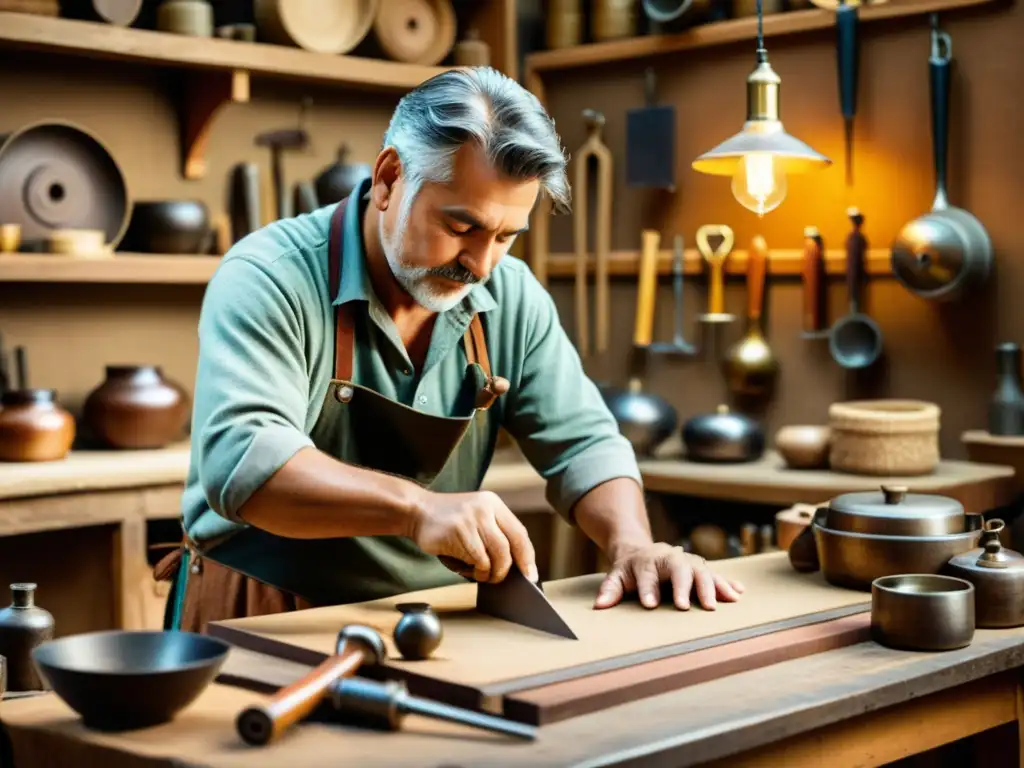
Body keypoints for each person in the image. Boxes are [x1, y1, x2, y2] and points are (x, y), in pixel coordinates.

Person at [156, 66, 744, 634]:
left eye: (506, 236)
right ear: (389, 178)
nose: (481, 263)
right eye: (462, 227)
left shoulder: (509, 296)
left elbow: (584, 444)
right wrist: (418, 509)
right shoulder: (271, 276)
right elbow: (244, 464)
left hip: (428, 618)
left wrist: (632, 544)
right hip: (265, 611)